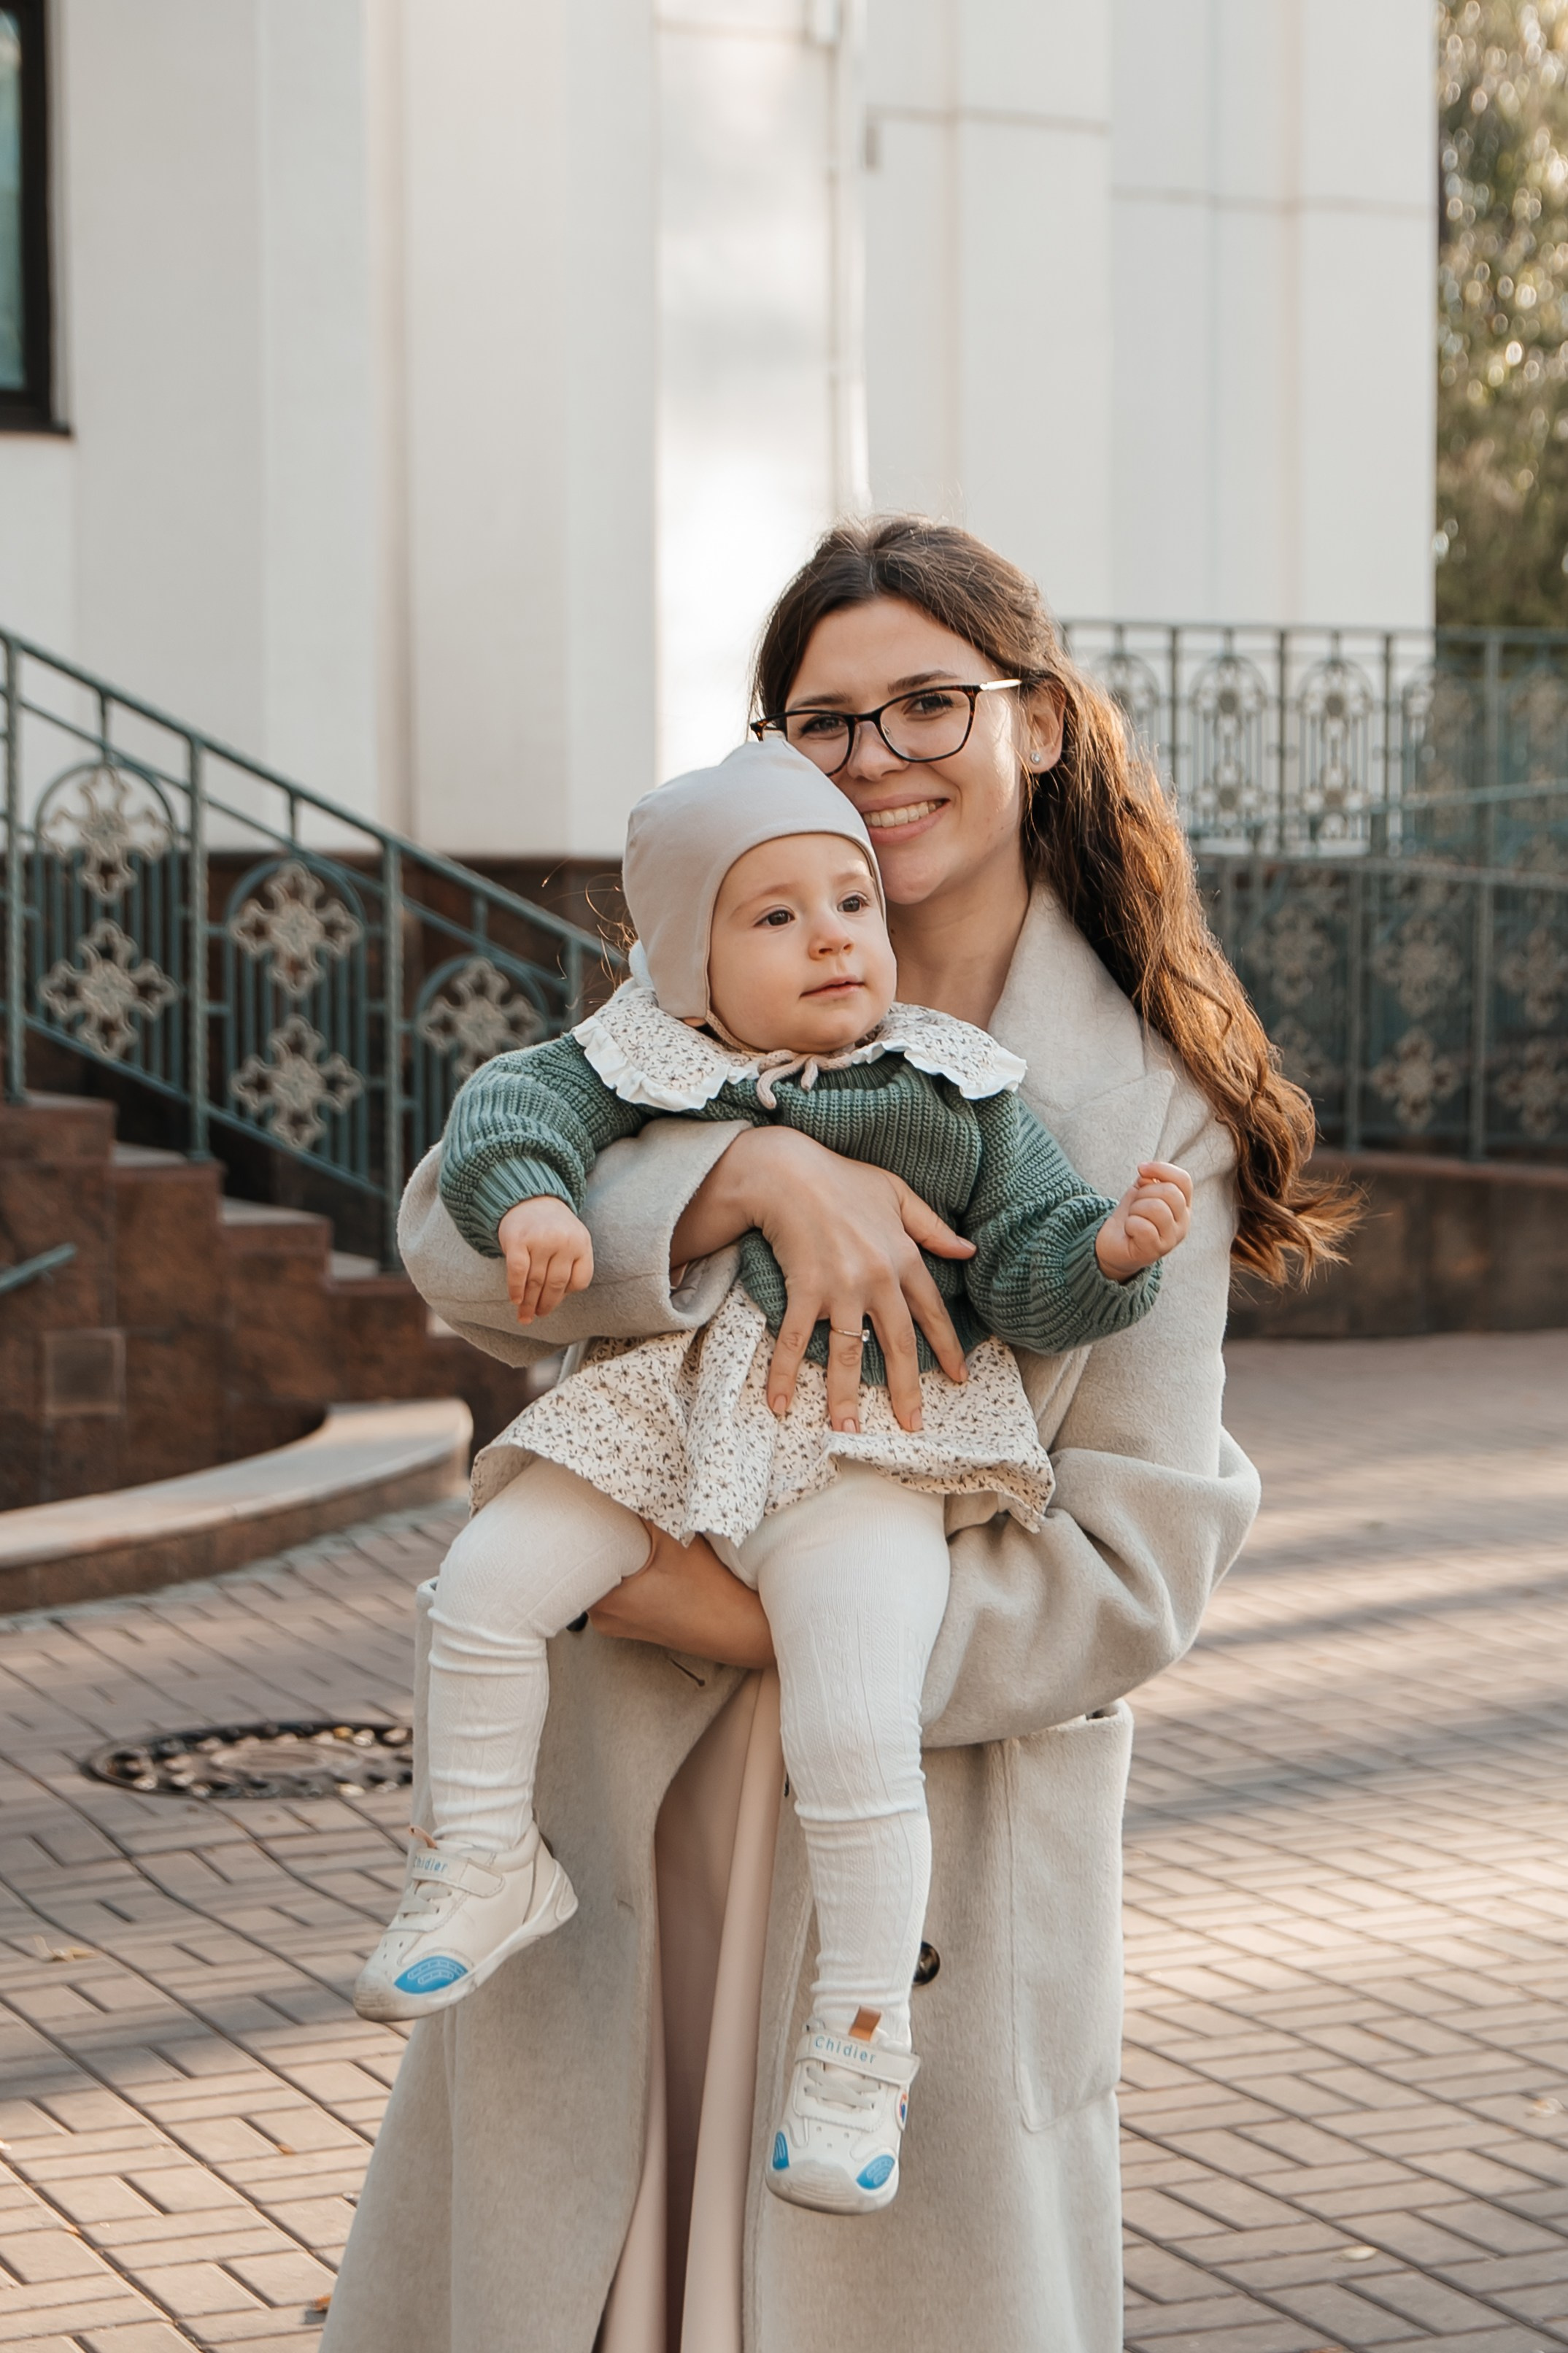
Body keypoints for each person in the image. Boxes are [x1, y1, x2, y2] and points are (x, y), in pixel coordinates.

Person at [323, 517, 1352, 2353]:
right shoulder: (700, 989)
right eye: (826, 721)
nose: (876, 760)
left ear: (1038, 724)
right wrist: (741, 1171)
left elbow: (1134, 1566)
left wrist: (744, 1621)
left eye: (928, 705)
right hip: (628, 1799)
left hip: (906, 1786)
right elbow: (450, 1229)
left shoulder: (1141, 1105)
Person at [350, 742, 1193, 2221]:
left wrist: (1108, 1260)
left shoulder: (955, 1086)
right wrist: (540, 1197)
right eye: (776, 915)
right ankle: (483, 1858)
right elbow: (500, 1121)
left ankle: (860, 2043)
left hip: (869, 1443)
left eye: (850, 903)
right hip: (661, 1427)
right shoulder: (632, 1058)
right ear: (684, 968)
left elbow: (1027, 1261)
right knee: (478, 1587)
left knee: (857, 1726)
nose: (831, 938)